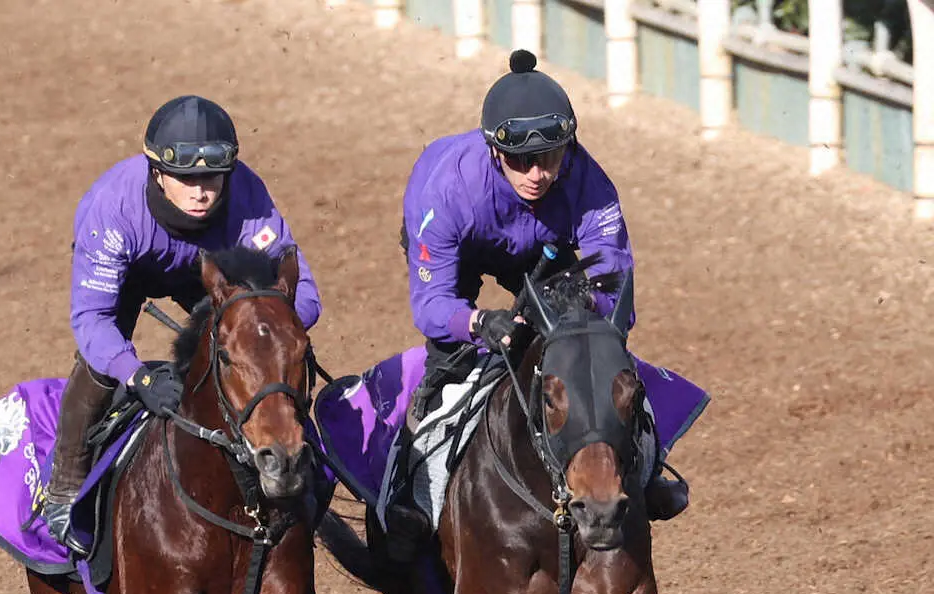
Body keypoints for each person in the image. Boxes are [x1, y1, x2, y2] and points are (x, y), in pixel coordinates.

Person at [386, 49, 690, 562]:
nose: (536, 174)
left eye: (549, 157)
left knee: (597, 355)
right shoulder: (446, 190)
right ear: (493, 153)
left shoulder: (590, 185)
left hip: (545, 251)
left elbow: (616, 300)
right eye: (520, 161)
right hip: (464, 242)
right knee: (450, 361)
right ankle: (410, 496)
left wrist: (569, 322)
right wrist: (478, 322)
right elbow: (432, 304)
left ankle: (645, 468)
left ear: (567, 148)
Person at [42, 95, 322, 553]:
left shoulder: (249, 197)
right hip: (132, 267)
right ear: (157, 174)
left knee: (266, 349)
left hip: (211, 269)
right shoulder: (113, 212)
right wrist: (138, 374)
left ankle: (291, 462)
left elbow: (303, 294)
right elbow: (92, 320)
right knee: (99, 365)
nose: (200, 193)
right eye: (185, 179)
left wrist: (263, 328)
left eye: (211, 178)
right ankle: (66, 483)